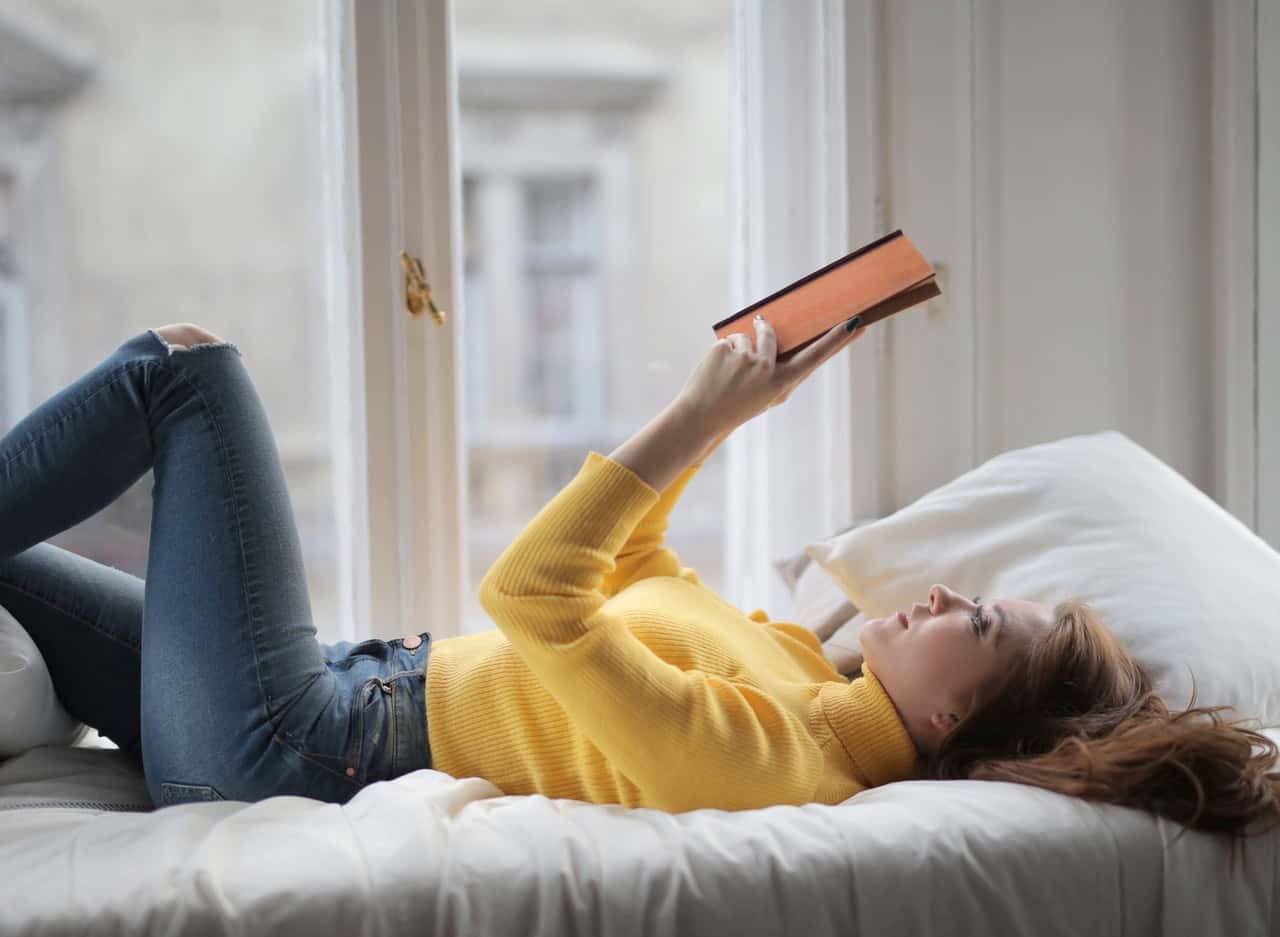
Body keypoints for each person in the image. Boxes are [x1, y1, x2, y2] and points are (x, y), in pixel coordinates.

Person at [2, 320, 1277, 837]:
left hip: (288, 737)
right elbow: (637, 561)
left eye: (978, 619)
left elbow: (533, 595)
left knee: (189, 369)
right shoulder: (793, 668)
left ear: (953, 718)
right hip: (332, 685)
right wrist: (735, 409)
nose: (942, 595)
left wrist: (690, 411)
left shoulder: (782, 762)